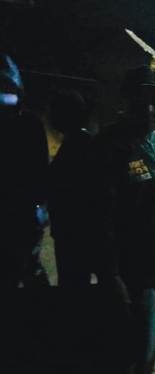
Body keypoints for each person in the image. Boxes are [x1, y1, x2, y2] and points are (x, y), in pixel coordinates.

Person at [90, 65, 155, 373]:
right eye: (143, 100)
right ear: (127, 102)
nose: (152, 109)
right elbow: (98, 218)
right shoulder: (110, 147)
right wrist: (111, 276)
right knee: (133, 353)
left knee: (152, 344)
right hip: (136, 277)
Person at [0, 53, 50, 288]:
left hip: (21, 217)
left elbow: (39, 172)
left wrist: (38, 208)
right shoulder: (29, 124)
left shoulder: (29, 125)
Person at [47, 90, 94, 287]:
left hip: (74, 233)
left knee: (75, 286)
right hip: (77, 232)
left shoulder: (78, 147)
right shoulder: (86, 143)